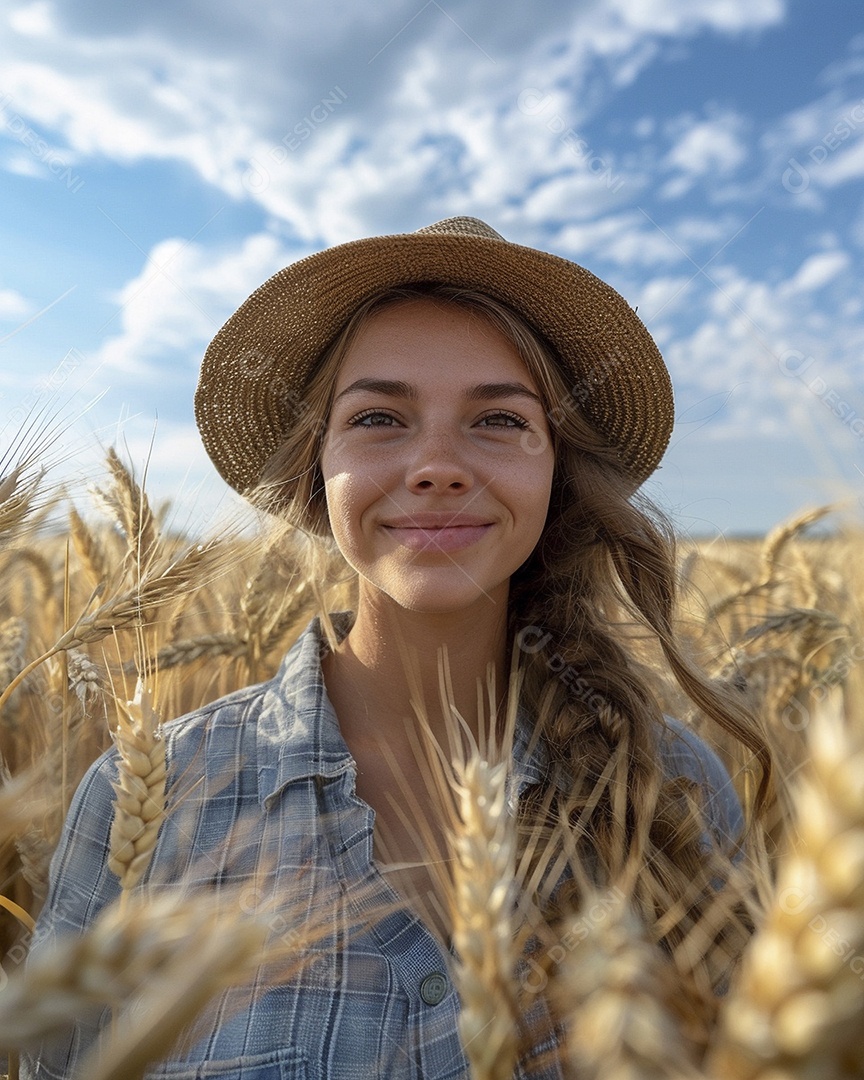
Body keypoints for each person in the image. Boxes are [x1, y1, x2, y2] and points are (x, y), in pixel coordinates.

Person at [23, 216, 768, 1079]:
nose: (437, 465)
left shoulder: (668, 791)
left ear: (556, 471)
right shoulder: (141, 800)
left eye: (498, 419)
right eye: (379, 416)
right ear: (317, 470)